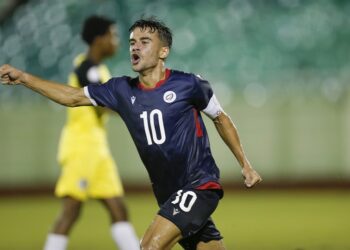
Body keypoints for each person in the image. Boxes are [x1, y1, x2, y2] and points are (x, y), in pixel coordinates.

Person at [1, 17, 262, 250]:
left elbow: (220, 118)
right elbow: (72, 96)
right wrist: (24, 78)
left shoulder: (189, 84)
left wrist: (245, 165)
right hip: (169, 194)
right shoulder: (121, 90)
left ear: (163, 51)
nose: (135, 46)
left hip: (199, 185)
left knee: (149, 246)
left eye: (144, 41)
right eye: (132, 42)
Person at [42, 16, 139, 250]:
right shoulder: (86, 66)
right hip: (82, 148)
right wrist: (137, 104)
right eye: (113, 36)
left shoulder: (99, 69)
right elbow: (103, 103)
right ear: (99, 39)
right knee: (71, 211)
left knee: (118, 209)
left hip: (98, 151)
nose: (116, 42)